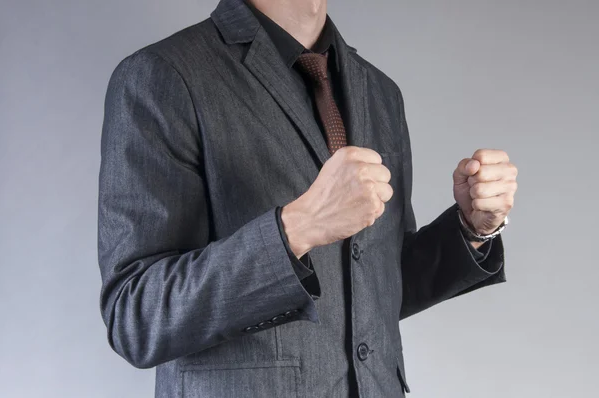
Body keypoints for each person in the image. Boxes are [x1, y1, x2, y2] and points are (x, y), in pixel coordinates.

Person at [97, 0, 518, 396]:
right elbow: (135, 316)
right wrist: (296, 230)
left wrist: (472, 229)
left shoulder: (379, 91)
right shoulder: (163, 74)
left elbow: (375, 288)